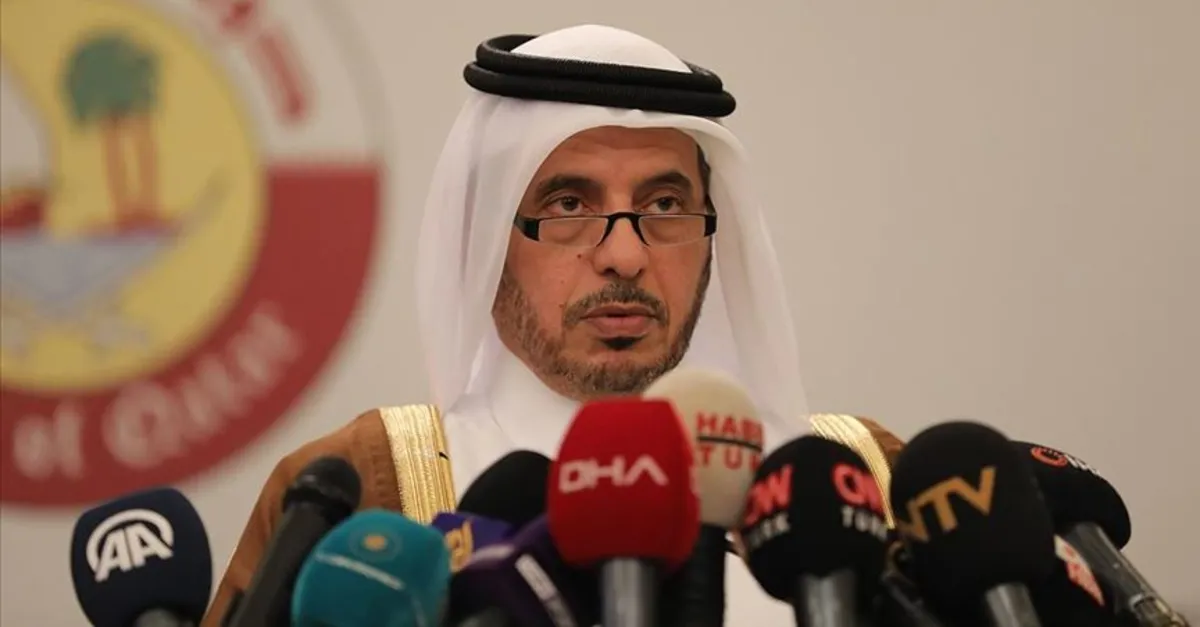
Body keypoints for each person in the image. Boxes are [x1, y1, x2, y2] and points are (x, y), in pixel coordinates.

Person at [201, 24, 905, 625]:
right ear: (485, 240)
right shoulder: (361, 493)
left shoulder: (856, 488)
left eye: (665, 204)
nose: (625, 254)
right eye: (569, 205)